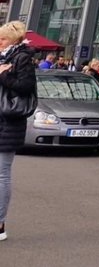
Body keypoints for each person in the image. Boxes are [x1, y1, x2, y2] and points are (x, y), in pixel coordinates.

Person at [0, 21, 37, 241]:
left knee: (2, 175)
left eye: (2, 39)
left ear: (13, 40)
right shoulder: (4, 58)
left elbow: (24, 87)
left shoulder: (22, 58)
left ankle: (0, 224)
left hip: (8, 122)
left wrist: (3, 75)